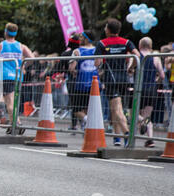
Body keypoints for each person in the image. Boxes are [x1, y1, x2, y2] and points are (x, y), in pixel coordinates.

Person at [94, 18, 140, 146]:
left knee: (117, 109)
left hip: (110, 79)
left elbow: (96, 62)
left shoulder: (102, 44)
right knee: (114, 108)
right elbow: (137, 55)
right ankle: (116, 138)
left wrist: (100, 67)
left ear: (108, 30)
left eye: (105, 28)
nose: (104, 29)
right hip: (124, 79)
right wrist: (131, 67)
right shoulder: (126, 42)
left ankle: (126, 134)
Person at [0, 22, 34, 134]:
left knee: (9, 103)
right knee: (14, 102)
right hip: (18, 76)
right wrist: (23, 65)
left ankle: (17, 124)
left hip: (6, 76)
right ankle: (13, 124)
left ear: (6, 32)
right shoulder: (21, 46)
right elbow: (32, 58)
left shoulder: (0, 46)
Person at [69, 31, 99, 131]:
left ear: (86, 39)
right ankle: (88, 128)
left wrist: (74, 71)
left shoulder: (77, 51)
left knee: (76, 109)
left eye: (81, 37)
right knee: (88, 109)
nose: (79, 39)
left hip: (81, 84)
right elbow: (99, 66)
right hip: (94, 84)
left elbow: (71, 68)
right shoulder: (97, 50)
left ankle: (87, 122)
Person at [138, 37, 165, 148]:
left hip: (138, 89)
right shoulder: (155, 58)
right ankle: (150, 140)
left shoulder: (137, 56)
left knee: (132, 113)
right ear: (150, 45)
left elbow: (129, 69)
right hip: (151, 88)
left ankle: (141, 121)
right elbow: (162, 76)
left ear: (140, 45)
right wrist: (156, 81)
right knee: (148, 115)